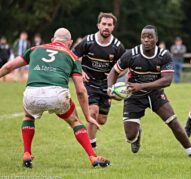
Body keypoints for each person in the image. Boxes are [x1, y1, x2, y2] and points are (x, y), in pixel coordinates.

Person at [0, 28, 110, 168]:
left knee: (28, 116)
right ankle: (93, 157)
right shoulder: (72, 56)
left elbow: (9, 66)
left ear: (53, 40)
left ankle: (27, 153)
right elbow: (81, 91)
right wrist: (88, 116)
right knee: (75, 121)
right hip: (57, 94)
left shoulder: (35, 49)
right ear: (69, 43)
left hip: (32, 93)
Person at [107, 25, 191, 157]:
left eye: (150, 37)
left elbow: (167, 80)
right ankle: (137, 135)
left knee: (173, 121)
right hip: (134, 95)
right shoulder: (131, 54)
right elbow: (113, 72)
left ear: (156, 39)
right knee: (130, 136)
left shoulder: (164, 55)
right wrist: (110, 89)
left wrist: (142, 86)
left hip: (155, 94)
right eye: (143, 37)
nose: (146, 40)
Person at [72, 12, 126, 151]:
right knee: (93, 111)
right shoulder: (88, 41)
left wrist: (115, 75)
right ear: (98, 25)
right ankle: (91, 147)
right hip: (89, 83)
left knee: (102, 119)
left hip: (106, 85)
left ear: (113, 27)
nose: (106, 27)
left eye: (109, 25)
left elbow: (126, 66)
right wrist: (80, 72)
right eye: (103, 24)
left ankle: (91, 138)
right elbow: (73, 56)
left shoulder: (117, 46)